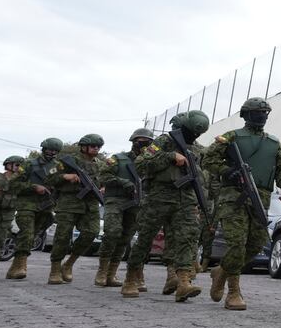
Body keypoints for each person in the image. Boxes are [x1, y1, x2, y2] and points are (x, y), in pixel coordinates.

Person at [202, 97, 281, 311]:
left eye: (265, 112)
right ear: (246, 114)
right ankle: (233, 292)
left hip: (260, 198)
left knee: (257, 243)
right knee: (237, 243)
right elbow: (207, 160)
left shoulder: (274, 143)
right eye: (257, 112)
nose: (262, 116)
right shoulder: (231, 137)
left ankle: (222, 271)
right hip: (233, 198)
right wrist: (227, 171)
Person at [121, 111, 210, 302]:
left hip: (185, 198)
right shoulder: (163, 142)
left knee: (187, 238)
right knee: (145, 239)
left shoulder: (197, 149)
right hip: (158, 197)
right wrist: (170, 156)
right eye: (191, 131)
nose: (194, 136)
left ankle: (183, 282)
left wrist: (201, 201)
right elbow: (141, 164)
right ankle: (130, 278)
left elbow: (203, 178)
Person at [95, 128, 154, 287]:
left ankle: (111, 274)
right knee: (112, 232)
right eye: (140, 141)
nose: (143, 144)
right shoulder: (118, 159)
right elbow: (103, 175)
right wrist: (123, 182)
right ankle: (102, 270)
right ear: (133, 141)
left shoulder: (151, 162)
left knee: (125, 238)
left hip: (137, 204)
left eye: (147, 142)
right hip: (116, 199)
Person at [46, 134, 105, 284]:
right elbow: (49, 178)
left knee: (91, 233)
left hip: (90, 204)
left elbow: (104, 180)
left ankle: (69, 263)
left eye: (98, 147)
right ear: (84, 147)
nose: (96, 149)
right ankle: (55, 269)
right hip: (70, 202)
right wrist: (65, 176)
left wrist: (103, 188)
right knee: (63, 236)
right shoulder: (68, 161)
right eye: (93, 146)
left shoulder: (100, 164)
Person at [7, 138, 62, 280]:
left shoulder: (59, 167)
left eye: (55, 151)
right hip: (27, 205)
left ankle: (15, 264)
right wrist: (33, 187)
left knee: (33, 235)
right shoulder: (29, 164)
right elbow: (13, 185)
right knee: (27, 233)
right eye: (49, 150)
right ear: (43, 149)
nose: (52, 153)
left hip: (46, 206)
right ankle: (20, 266)